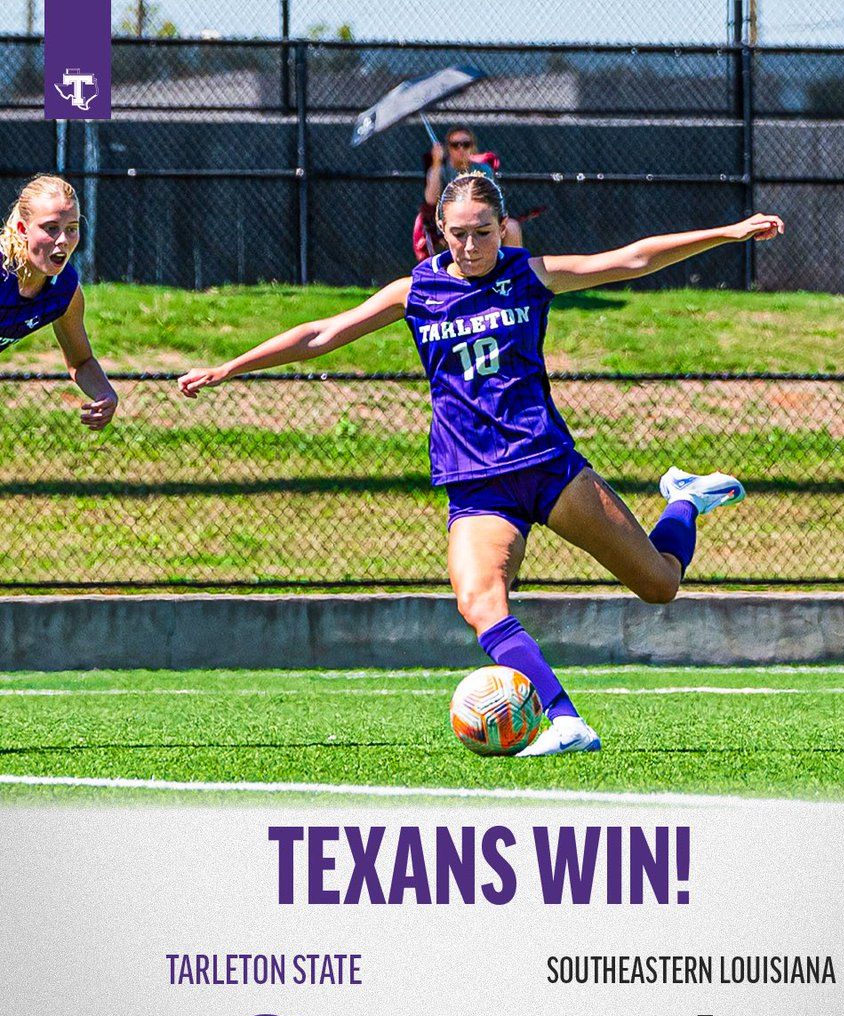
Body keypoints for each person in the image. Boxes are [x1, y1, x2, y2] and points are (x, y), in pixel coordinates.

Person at [179, 175, 784, 756]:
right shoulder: (415, 291)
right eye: (459, 233)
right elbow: (319, 335)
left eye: (484, 232)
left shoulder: (529, 274)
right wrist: (229, 368)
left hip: (546, 465)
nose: (471, 247)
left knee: (659, 586)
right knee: (480, 603)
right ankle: (565, 719)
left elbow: (630, 259)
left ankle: (684, 500)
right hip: (475, 485)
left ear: (504, 228)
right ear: (439, 229)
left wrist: (727, 232)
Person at [0, 175, 117, 430]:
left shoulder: (64, 290)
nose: (63, 239)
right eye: (51, 228)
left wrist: (105, 393)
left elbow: (81, 361)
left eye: (71, 228)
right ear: (22, 230)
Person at [416, 125, 523, 260]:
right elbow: (430, 199)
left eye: (466, 144)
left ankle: (513, 275)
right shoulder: (440, 170)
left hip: (481, 220)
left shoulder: (484, 170)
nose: (461, 149)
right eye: (455, 145)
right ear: (448, 148)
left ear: (473, 147)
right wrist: (436, 162)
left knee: (512, 227)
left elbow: (494, 202)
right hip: (453, 223)